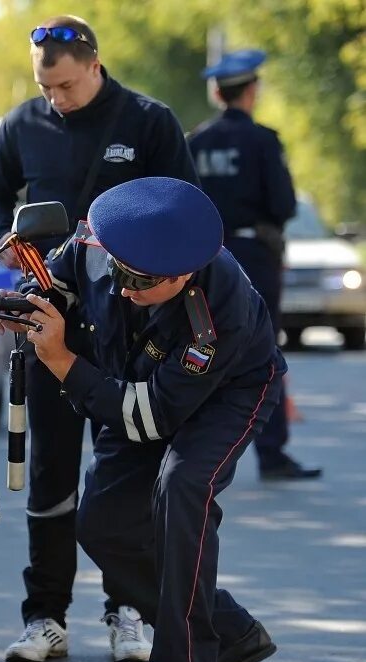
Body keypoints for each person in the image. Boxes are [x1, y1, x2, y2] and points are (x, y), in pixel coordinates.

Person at [0, 176, 280, 662]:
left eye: (140, 281)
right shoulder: (98, 243)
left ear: (181, 275)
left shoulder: (213, 318)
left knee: (182, 487)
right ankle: (231, 632)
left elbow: (152, 416)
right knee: (102, 523)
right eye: (118, 269)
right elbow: (63, 281)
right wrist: (33, 303)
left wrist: (62, 361)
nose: (123, 287)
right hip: (136, 379)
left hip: (225, 393)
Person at [0, 13, 200, 662]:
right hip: (47, 315)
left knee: (124, 476)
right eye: (48, 89)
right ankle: (45, 615)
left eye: (68, 87)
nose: (57, 100)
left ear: (95, 66)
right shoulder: (24, 124)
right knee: (51, 474)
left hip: (128, 321)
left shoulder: (149, 121)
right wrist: (3, 241)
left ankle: (126, 609)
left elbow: (186, 205)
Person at [188, 49, 321, 480]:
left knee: (201, 345)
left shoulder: (196, 142)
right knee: (264, 349)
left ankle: (194, 454)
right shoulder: (263, 140)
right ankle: (272, 454)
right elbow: (282, 204)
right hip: (256, 258)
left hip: (205, 261)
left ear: (216, 92)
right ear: (251, 91)